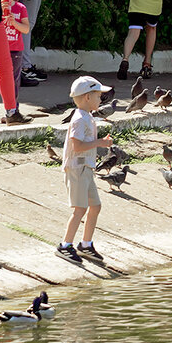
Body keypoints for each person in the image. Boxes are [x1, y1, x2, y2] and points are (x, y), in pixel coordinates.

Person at [57, 75, 114, 264]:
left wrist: (99, 143)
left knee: (95, 206)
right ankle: (64, 245)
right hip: (77, 168)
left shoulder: (87, 116)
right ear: (87, 97)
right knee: (80, 208)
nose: (101, 99)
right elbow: (78, 146)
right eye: (98, 96)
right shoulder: (79, 119)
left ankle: (86, 244)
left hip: (86, 168)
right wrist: (101, 143)